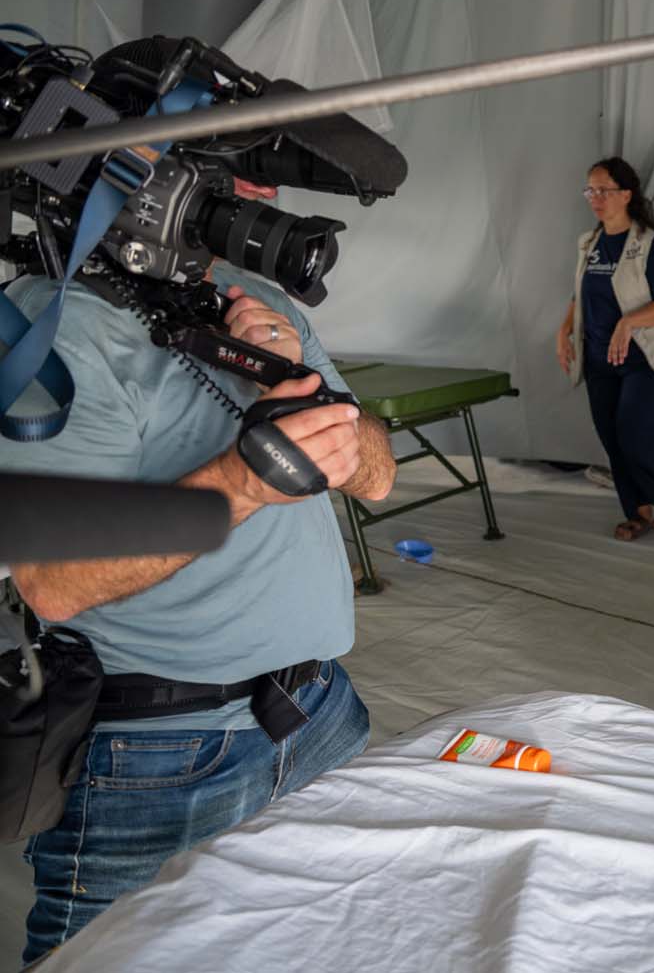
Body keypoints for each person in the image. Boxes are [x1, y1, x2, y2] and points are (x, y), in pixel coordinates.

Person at [1, 180, 395, 962]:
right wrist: (243, 483)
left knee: (324, 945)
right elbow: (48, 583)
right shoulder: (54, 333)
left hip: (318, 707)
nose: (254, 195)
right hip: (160, 753)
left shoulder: (251, 298)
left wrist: (300, 388)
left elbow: (375, 477)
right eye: (218, 171)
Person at [556, 156, 654, 540]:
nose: (596, 198)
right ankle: (638, 510)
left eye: (604, 190)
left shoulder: (649, 245)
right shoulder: (589, 243)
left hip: (645, 360)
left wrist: (628, 322)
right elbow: (579, 294)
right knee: (612, 436)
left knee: (635, 432)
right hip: (600, 360)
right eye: (590, 190)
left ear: (626, 194)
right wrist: (563, 332)